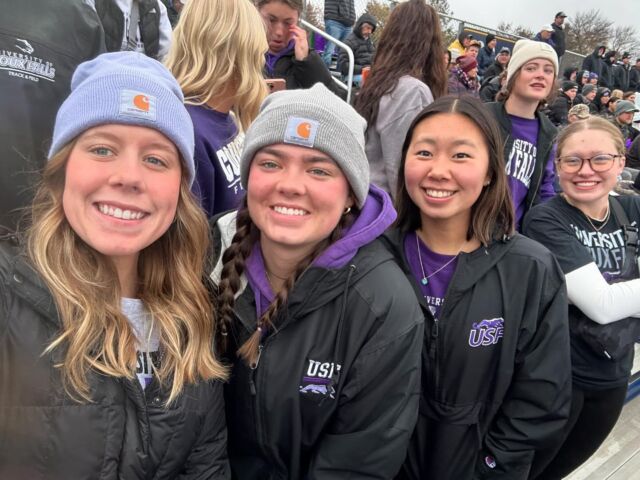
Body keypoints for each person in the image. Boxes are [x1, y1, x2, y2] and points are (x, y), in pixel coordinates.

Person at [0, 52, 229, 478]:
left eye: (156, 159)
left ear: (180, 189)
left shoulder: (194, 311)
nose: (129, 176)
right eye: (102, 149)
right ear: (61, 169)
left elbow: (206, 465)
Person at [212, 83, 424, 479]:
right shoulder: (208, 255)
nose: (291, 184)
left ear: (351, 193)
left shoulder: (383, 304)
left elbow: (358, 462)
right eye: (271, 163)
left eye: (319, 169)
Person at [384, 96, 570, 480]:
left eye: (461, 156)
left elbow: (542, 397)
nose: (438, 170)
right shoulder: (373, 258)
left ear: (489, 171)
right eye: (424, 152)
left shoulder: (531, 269)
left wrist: (491, 466)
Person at [523, 116, 640, 479]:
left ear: (621, 162)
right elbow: (601, 306)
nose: (585, 171)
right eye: (572, 160)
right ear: (557, 167)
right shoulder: (546, 220)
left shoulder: (632, 210)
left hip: (612, 373)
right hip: (558, 380)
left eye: (600, 159)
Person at [0, 0, 105, 231]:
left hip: (34, 219)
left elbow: (93, 122)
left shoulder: (81, 20)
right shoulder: (81, 19)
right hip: (34, 215)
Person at [165, 0, 268, 218]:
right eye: (259, 48)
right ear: (240, 51)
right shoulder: (187, 129)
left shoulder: (227, 118)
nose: (263, 56)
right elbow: (190, 244)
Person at [355, 0, 447, 198]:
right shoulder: (413, 92)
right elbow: (402, 169)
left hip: (366, 197)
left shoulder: (378, 82)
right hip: (386, 211)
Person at [486, 39, 559, 229]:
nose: (540, 76)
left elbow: (545, 189)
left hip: (512, 238)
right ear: (513, 75)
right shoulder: (483, 116)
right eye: (531, 68)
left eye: (548, 70)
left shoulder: (549, 132)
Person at [257, 0, 342, 96]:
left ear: (297, 21)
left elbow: (334, 100)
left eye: (288, 23)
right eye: (271, 20)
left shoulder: (306, 58)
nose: (279, 32)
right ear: (256, 13)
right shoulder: (241, 51)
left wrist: (307, 63)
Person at [88, 0, 173, 60]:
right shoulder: (93, 3)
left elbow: (166, 54)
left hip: (145, 77)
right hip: (106, 76)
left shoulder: (156, 6)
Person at [337, 13, 377, 86]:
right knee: (373, 81)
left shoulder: (370, 42)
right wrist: (362, 69)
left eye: (371, 29)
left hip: (369, 73)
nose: (369, 32)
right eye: (368, 28)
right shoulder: (349, 42)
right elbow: (343, 65)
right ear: (360, 26)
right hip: (353, 75)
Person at [322, 0, 355, 67]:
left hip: (348, 23)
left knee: (344, 54)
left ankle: (341, 75)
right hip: (334, 20)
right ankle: (323, 75)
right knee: (329, 51)